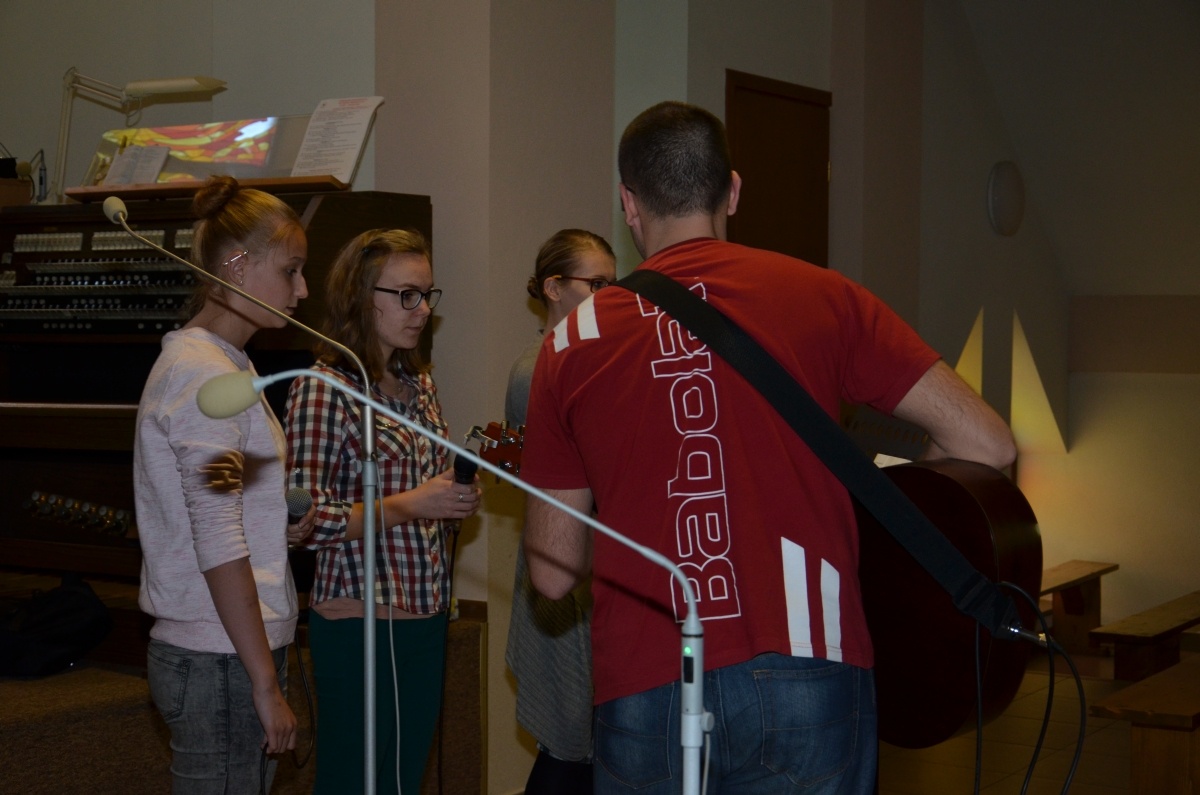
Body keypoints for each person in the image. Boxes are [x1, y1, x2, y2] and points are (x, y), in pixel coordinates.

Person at [520, 101, 1017, 794]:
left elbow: (552, 573)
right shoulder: (822, 295)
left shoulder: (571, 342)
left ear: (629, 204)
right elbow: (988, 442)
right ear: (732, 190)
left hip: (646, 675)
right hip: (811, 658)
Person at [284, 228, 482, 795]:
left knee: (403, 779)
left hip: (425, 609)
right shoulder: (323, 388)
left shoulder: (419, 384)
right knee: (353, 779)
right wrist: (414, 503)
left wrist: (453, 499)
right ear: (359, 295)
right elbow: (306, 518)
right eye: (406, 295)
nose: (422, 310)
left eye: (427, 294)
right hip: (359, 617)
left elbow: (429, 494)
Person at [135, 175, 313, 793]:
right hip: (221, 656)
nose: (302, 289)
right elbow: (216, 539)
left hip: (231, 648)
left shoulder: (227, 365)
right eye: (290, 271)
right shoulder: (201, 375)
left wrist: (276, 526)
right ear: (237, 267)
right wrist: (264, 683)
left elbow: (223, 506)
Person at [505, 229, 617, 795]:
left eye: (614, 286)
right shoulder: (539, 368)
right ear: (553, 288)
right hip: (562, 566)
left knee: (592, 744)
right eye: (596, 284)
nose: (608, 297)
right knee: (571, 742)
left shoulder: (588, 358)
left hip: (592, 567)